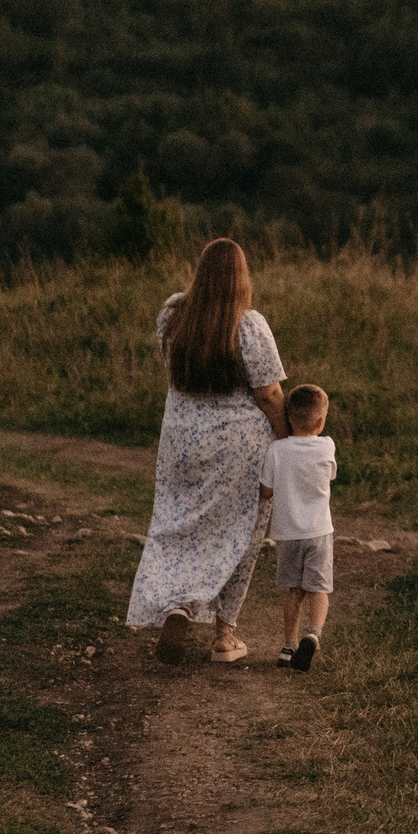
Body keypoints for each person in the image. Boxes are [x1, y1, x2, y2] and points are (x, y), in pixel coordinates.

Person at [126, 238, 289, 664]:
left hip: (181, 440)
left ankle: (177, 607)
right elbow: (270, 394)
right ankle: (224, 636)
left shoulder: (173, 313)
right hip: (239, 446)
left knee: (178, 526)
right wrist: (290, 442)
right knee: (242, 533)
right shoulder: (249, 325)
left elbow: (171, 368)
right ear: (242, 278)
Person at [262, 382, 338, 671]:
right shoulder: (327, 446)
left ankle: (288, 645)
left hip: (287, 533)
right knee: (319, 590)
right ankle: (313, 634)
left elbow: (266, 491)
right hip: (318, 532)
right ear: (320, 421)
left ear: (288, 418)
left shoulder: (276, 450)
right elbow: (328, 476)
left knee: (293, 591)